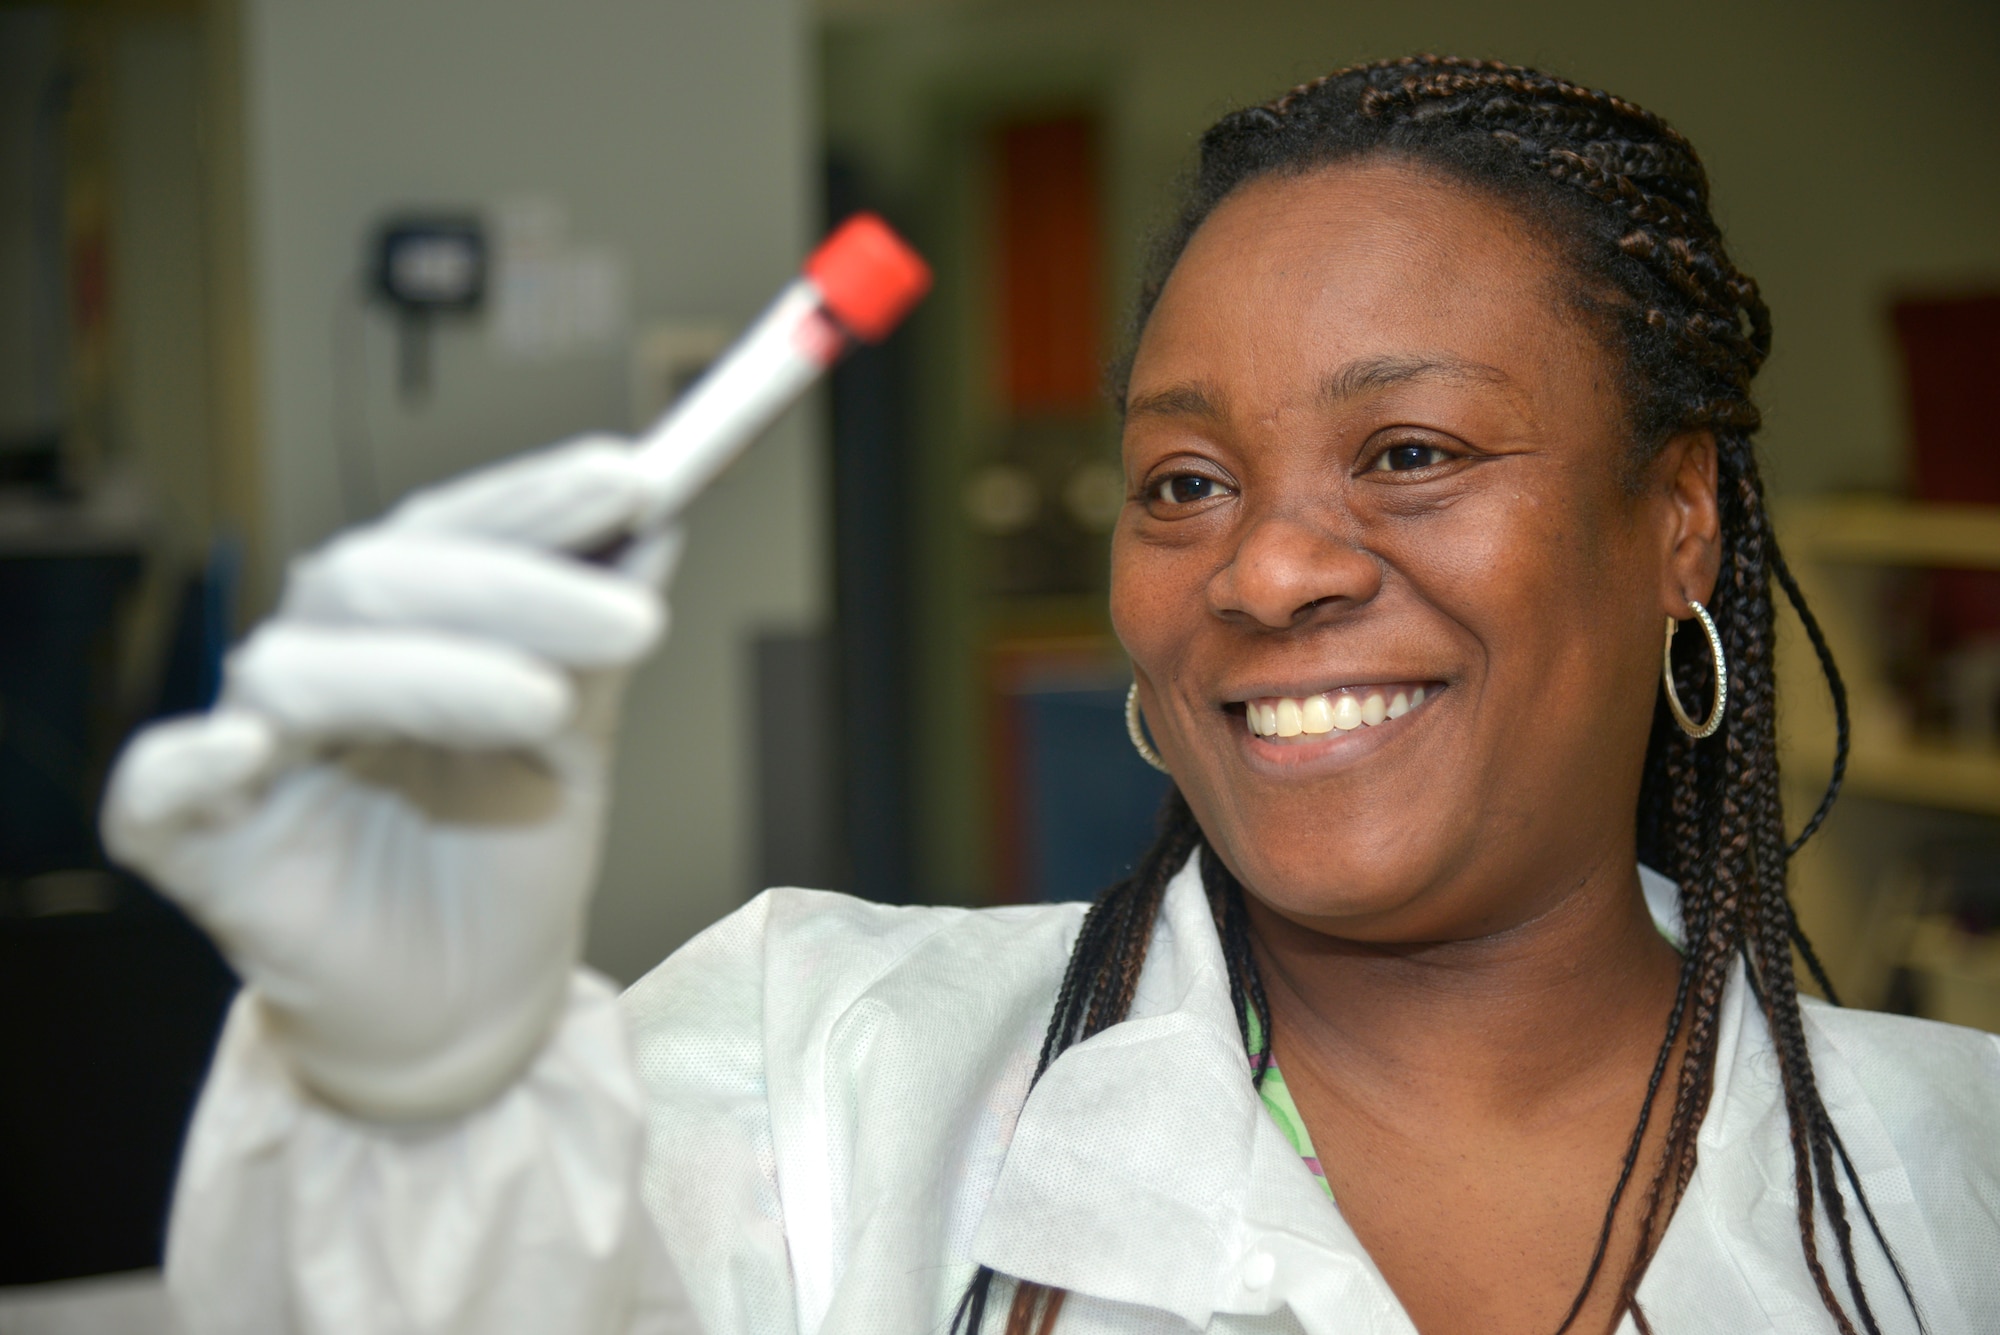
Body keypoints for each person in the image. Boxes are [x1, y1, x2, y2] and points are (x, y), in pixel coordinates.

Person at [105, 56, 1997, 1335]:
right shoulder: (816, 1075)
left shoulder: (1960, 1179)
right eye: (1185, 484)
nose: (1263, 569)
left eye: (1410, 451)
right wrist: (406, 1101)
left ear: (1677, 524)